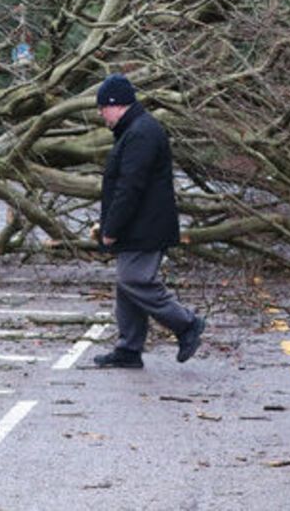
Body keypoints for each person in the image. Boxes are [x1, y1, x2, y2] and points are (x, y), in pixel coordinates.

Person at [90, 73, 205, 369]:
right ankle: (129, 348)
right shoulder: (136, 130)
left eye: (102, 108)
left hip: (145, 226)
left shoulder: (141, 133)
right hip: (140, 225)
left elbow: (131, 186)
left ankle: (186, 324)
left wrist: (111, 229)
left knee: (134, 279)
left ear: (116, 105)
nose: (101, 115)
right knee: (126, 284)